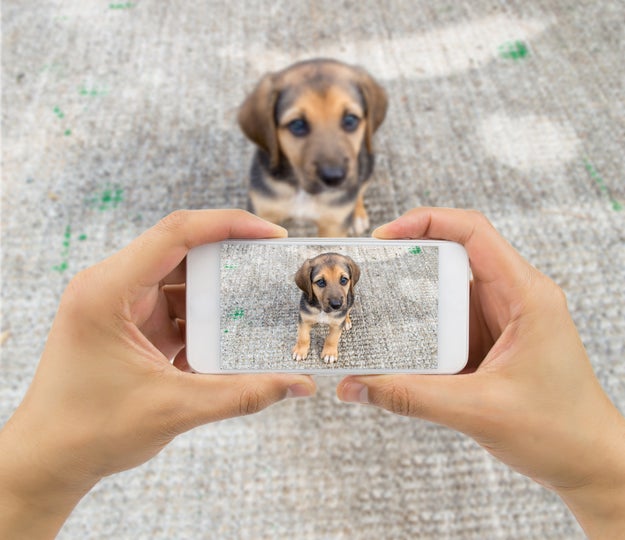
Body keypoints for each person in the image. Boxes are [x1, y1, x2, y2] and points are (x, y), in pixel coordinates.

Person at [0, 208, 623, 538]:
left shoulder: (345, 300)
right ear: (307, 281)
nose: (331, 292)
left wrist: (32, 484)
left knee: (335, 335)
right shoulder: (308, 295)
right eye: (322, 282)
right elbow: (311, 320)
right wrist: (604, 482)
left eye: (340, 282)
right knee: (310, 332)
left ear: (353, 281)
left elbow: (338, 320)